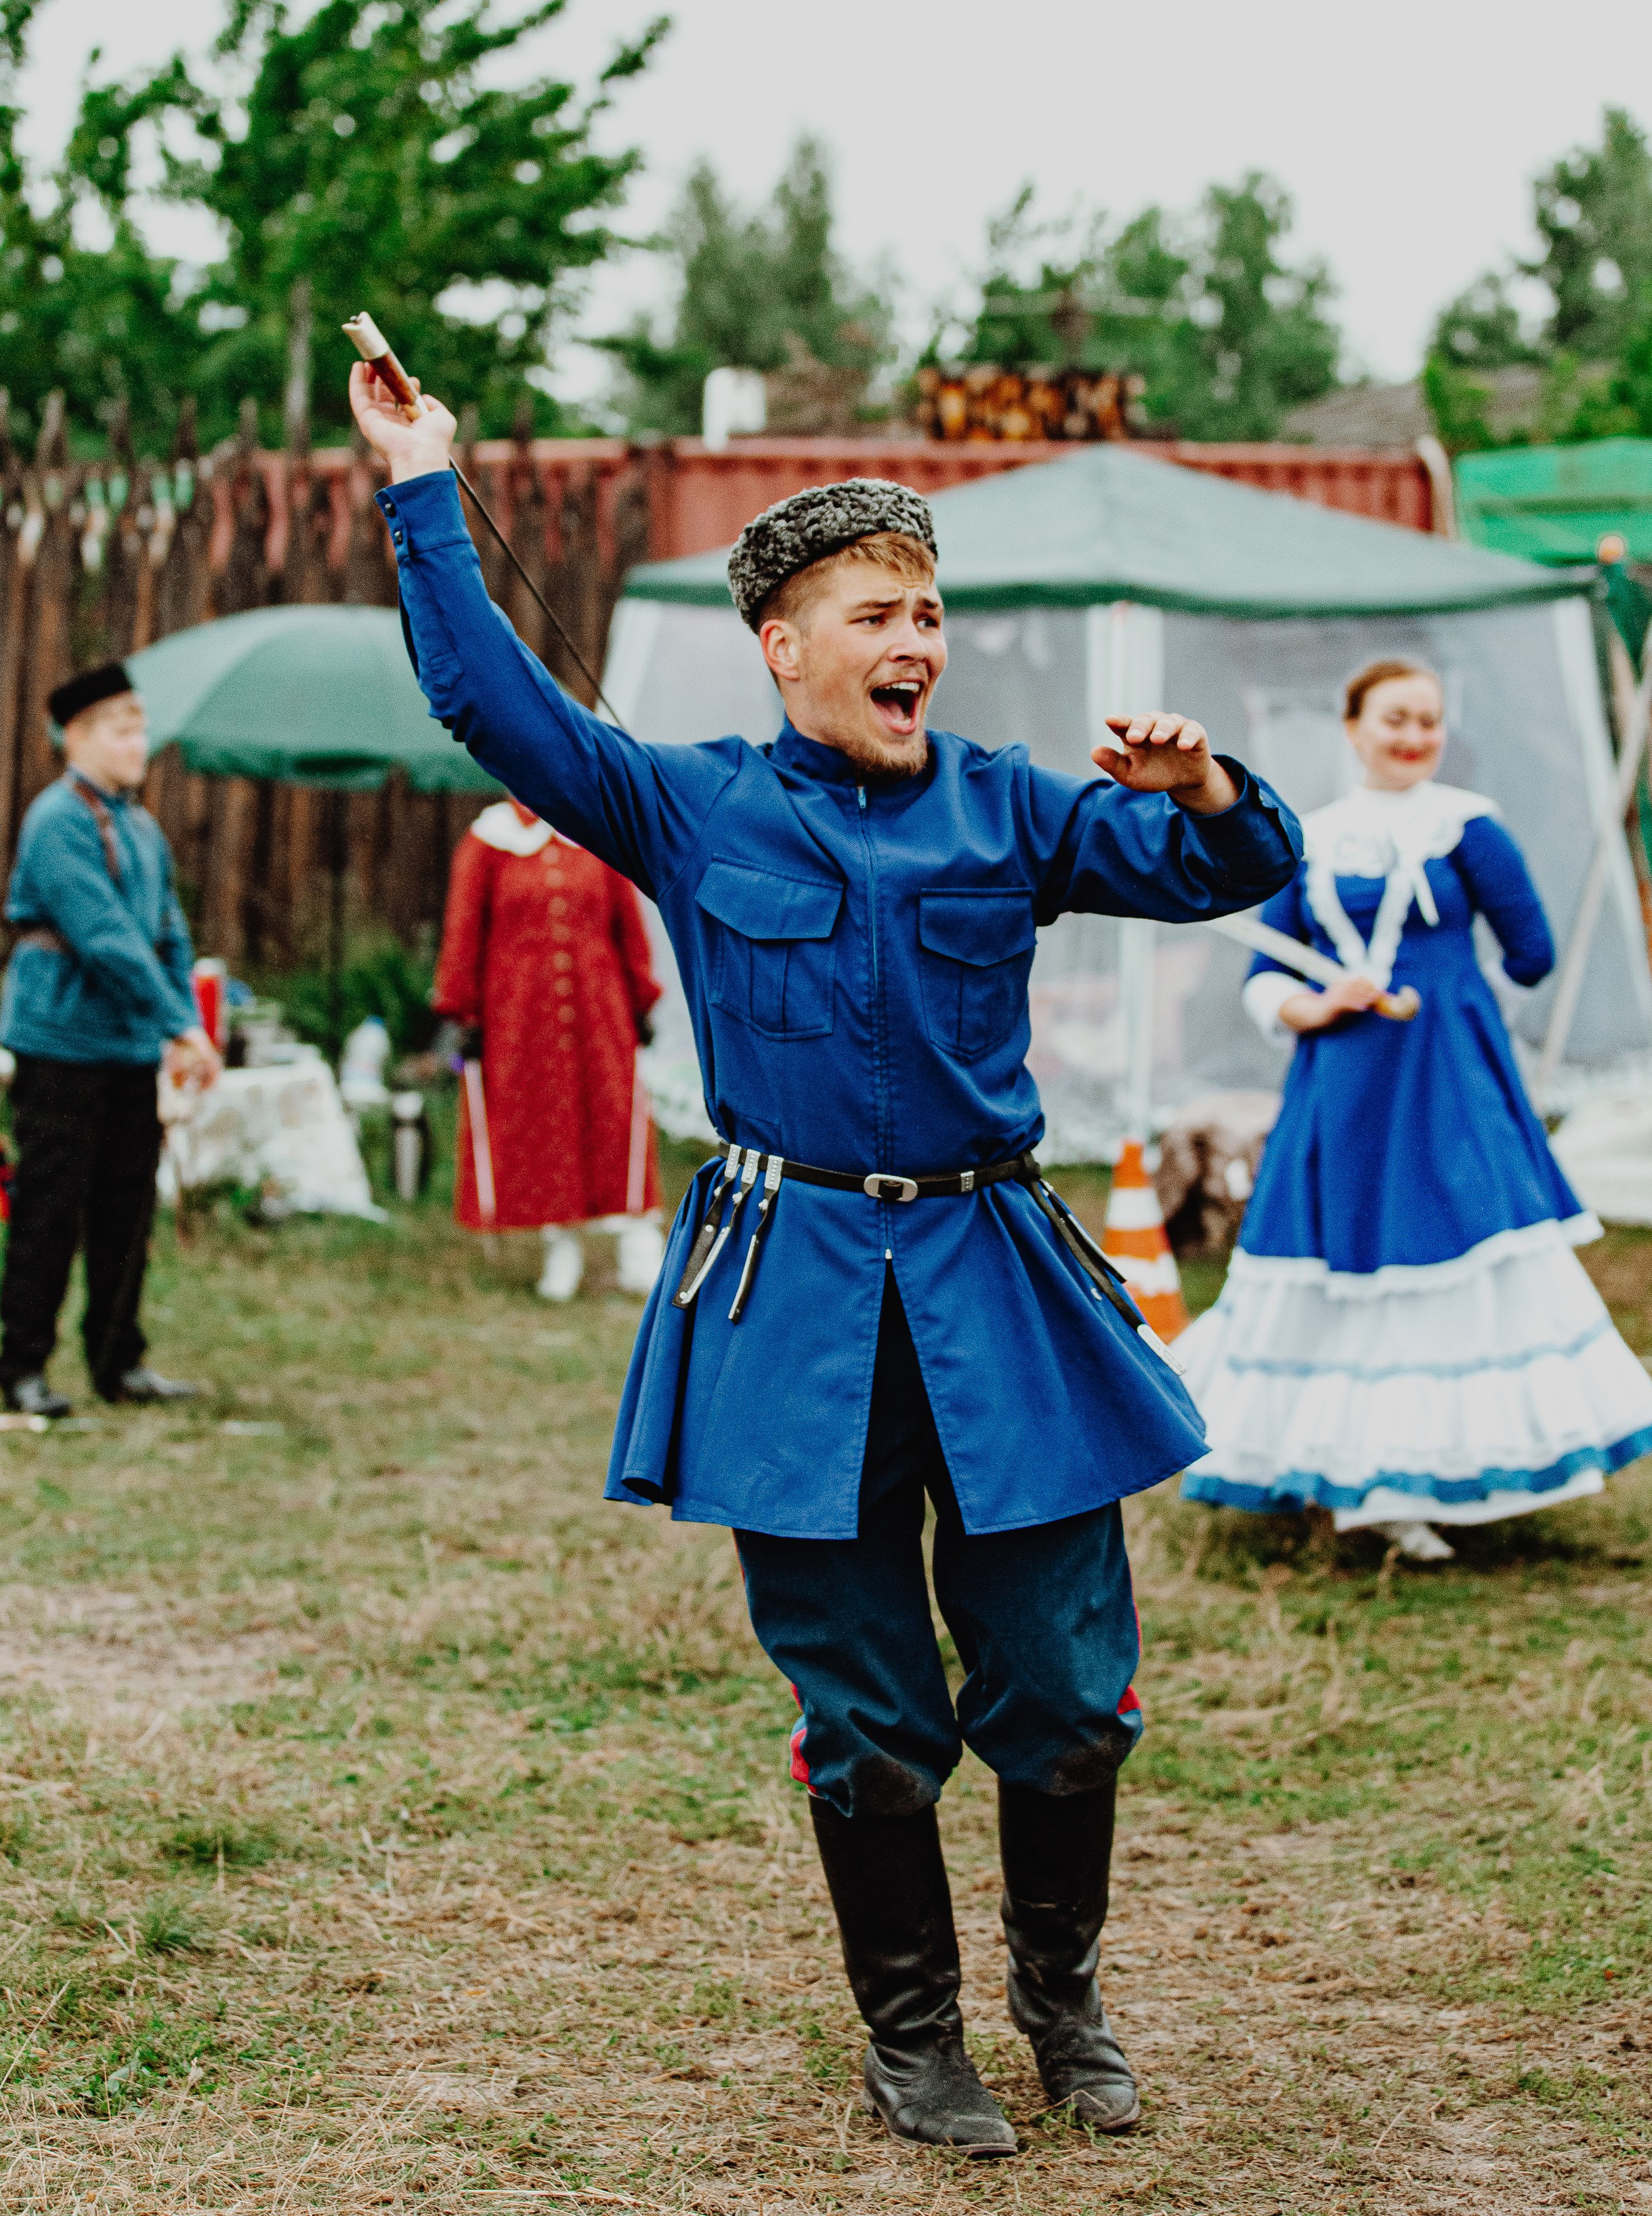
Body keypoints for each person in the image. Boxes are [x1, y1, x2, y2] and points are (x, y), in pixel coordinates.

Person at [354, 356, 1300, 2156]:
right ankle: (915, 2036)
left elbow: (1223, 872)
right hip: (795, 1297)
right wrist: (424, 483)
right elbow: (486, 698)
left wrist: (1205, 787)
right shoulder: (691, 805)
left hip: (998, 1277)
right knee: (863, 1704)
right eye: (876, 611)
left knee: (1068, 1685)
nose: (916, 640)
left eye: (930, 612)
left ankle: (1064, 2001)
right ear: (782, 644)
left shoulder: (1013, 807)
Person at [1181, 657, 1652, 1560]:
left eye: (1429, 721)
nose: (1413, 736)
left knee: (1450, 1251)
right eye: (1396, 718)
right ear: (1353, 724)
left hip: (1445, 1084)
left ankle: (1422, 1474)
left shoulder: (1466, 827)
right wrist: (1315, 1006)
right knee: (1335, 1266)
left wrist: (1459, 1005)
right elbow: (1264, 971)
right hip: (1339, 1090)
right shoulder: (1308, 838)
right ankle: (1342, 1470)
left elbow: (1531, 951)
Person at [0, 663, 219, 1419]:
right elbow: (105, 939)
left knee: (127, 1211)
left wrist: (186, 1023)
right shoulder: (56, 820)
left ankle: (117, 1362)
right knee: (49, 1208)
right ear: (79, 737)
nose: (140, 740)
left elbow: (169, 937)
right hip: (60, 1042)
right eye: (122, 727)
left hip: (129, 1047)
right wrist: (180, 1023)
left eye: (141, 724)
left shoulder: (143, 826)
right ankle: (21, 1367)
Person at [431, 795, 664, 1298]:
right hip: (521, 1016)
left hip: (599, 1008)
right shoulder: (487, 842)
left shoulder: (597, 833)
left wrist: (642, 995)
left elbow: (628, 922)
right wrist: (462, 1007)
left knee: (616, 1115)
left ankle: (639, 1244)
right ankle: (562, 1246)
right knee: (545, 1126)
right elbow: (463, 929)